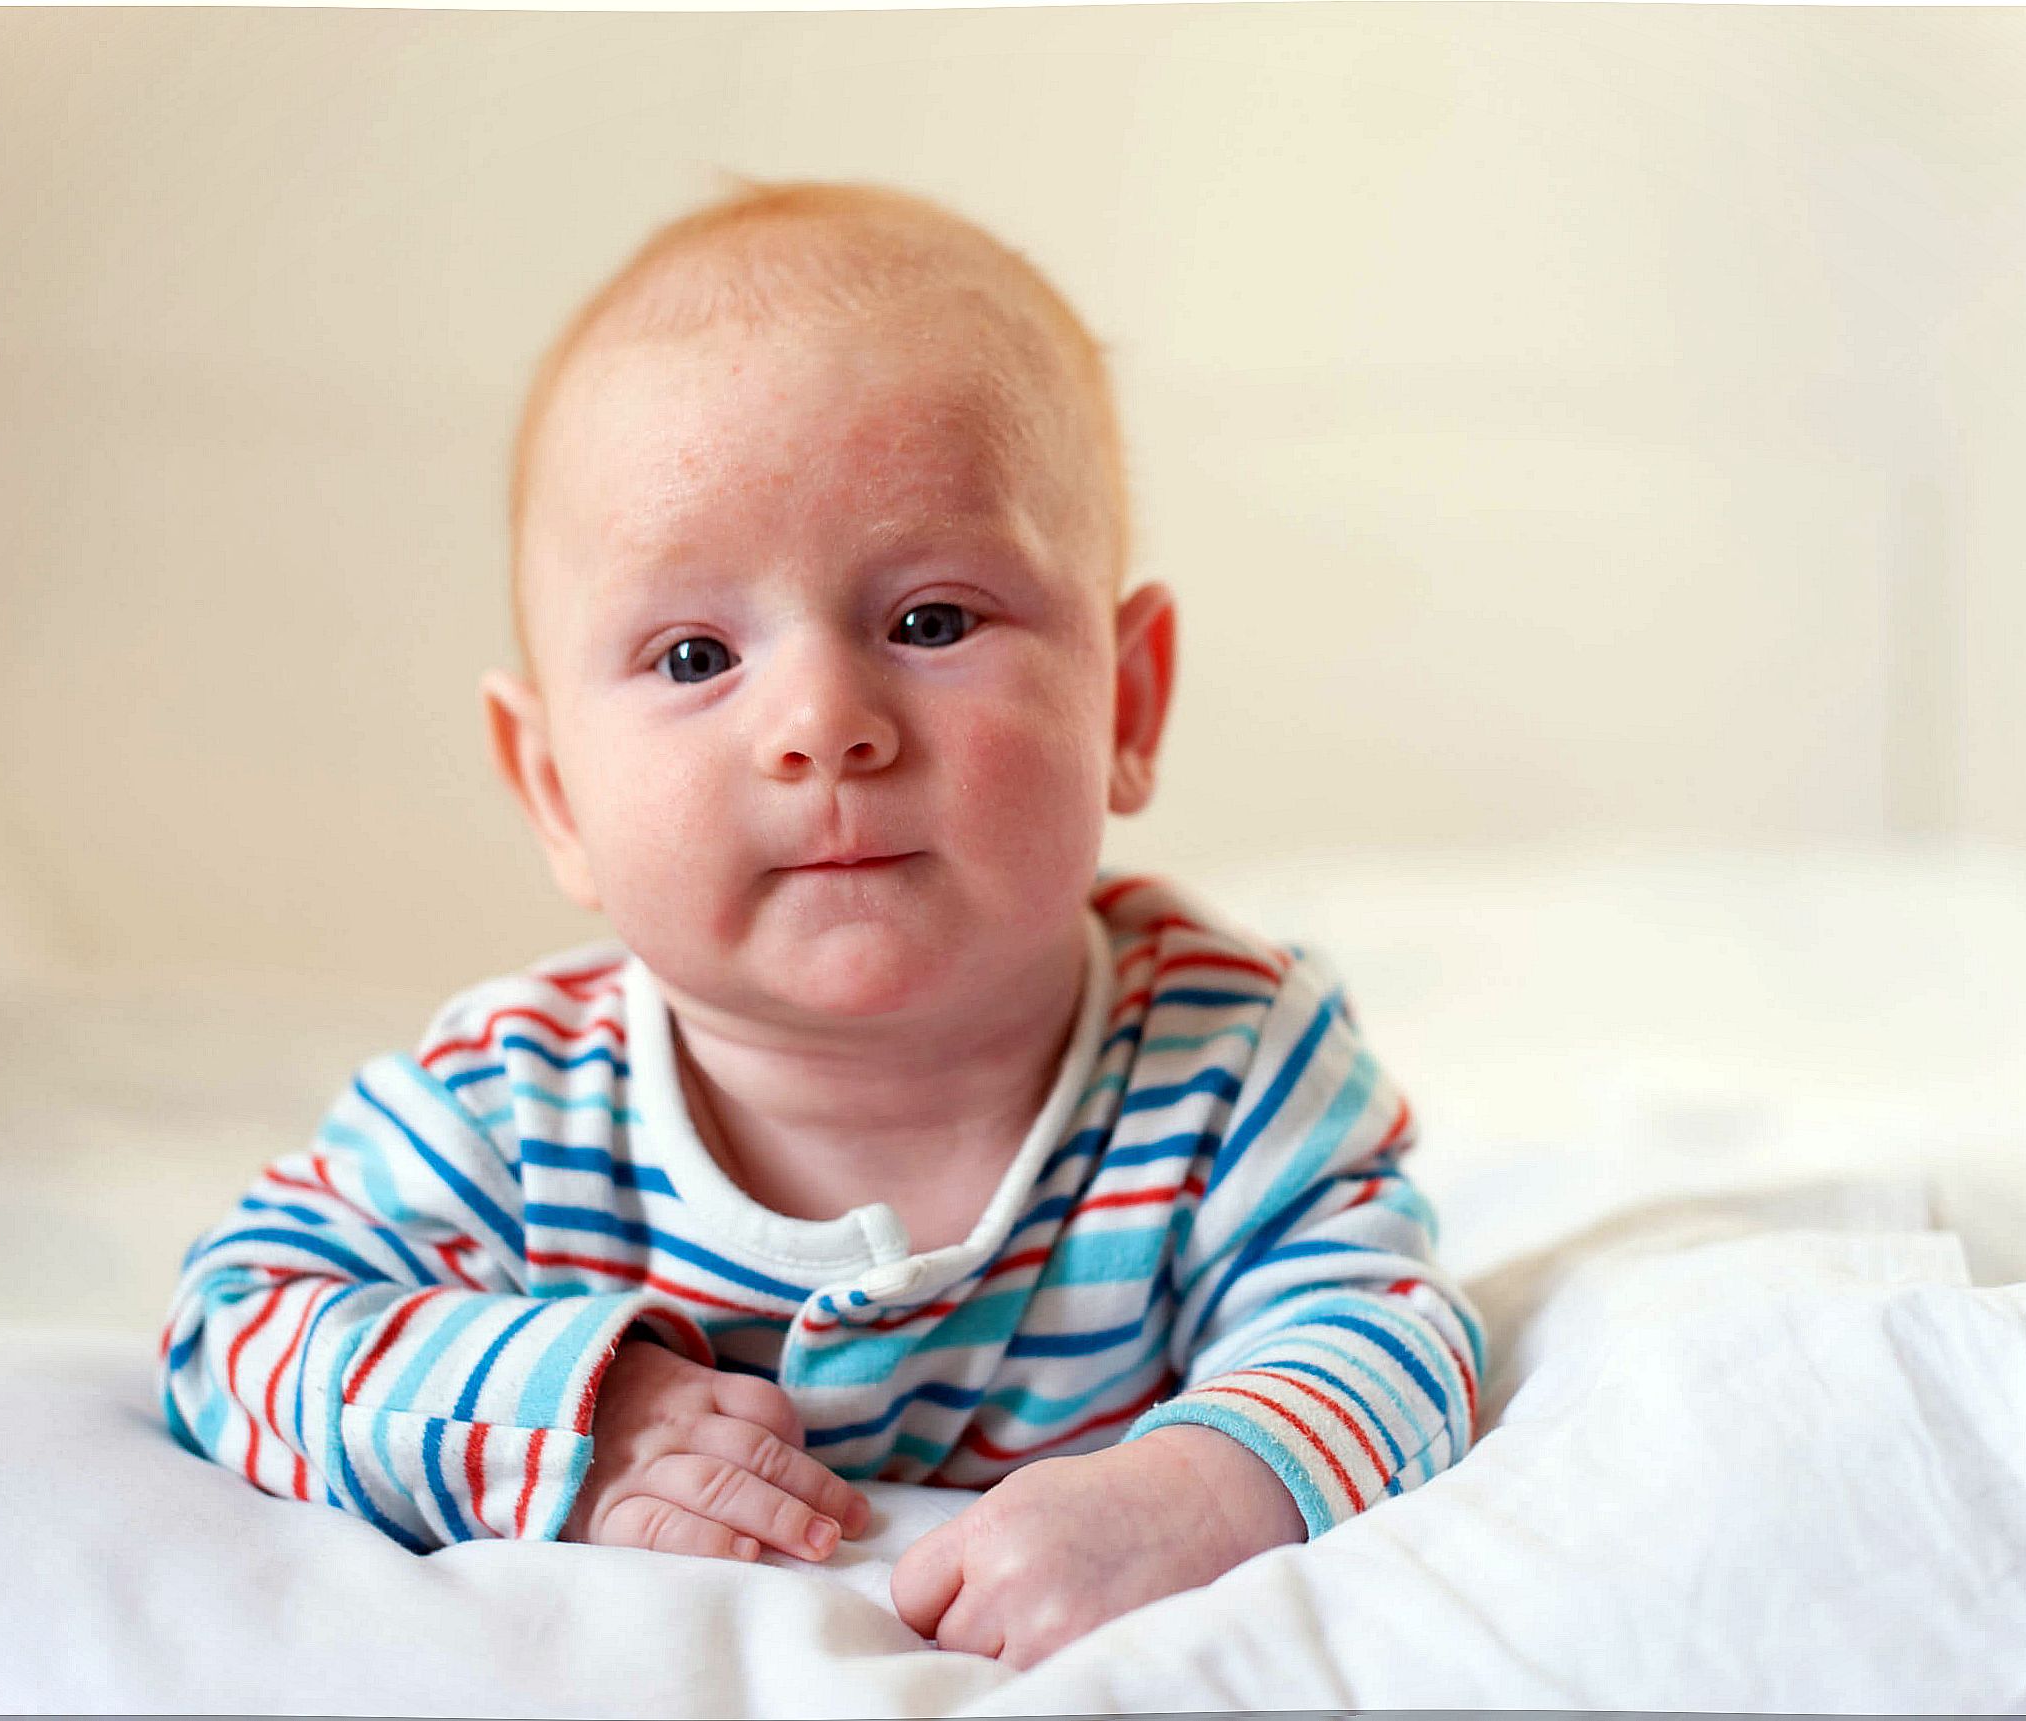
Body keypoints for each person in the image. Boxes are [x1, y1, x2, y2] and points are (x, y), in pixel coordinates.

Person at [160, 180, 1483, 1670]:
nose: (823, 725)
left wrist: (1204, 1486)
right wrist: (580, 1416)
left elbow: (1392, 1329)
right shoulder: (514, 1109)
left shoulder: (1228, 1055)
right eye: (694, 653)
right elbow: (236, 1328)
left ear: (1128, 698)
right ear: (552, 787)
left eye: (930, 620)